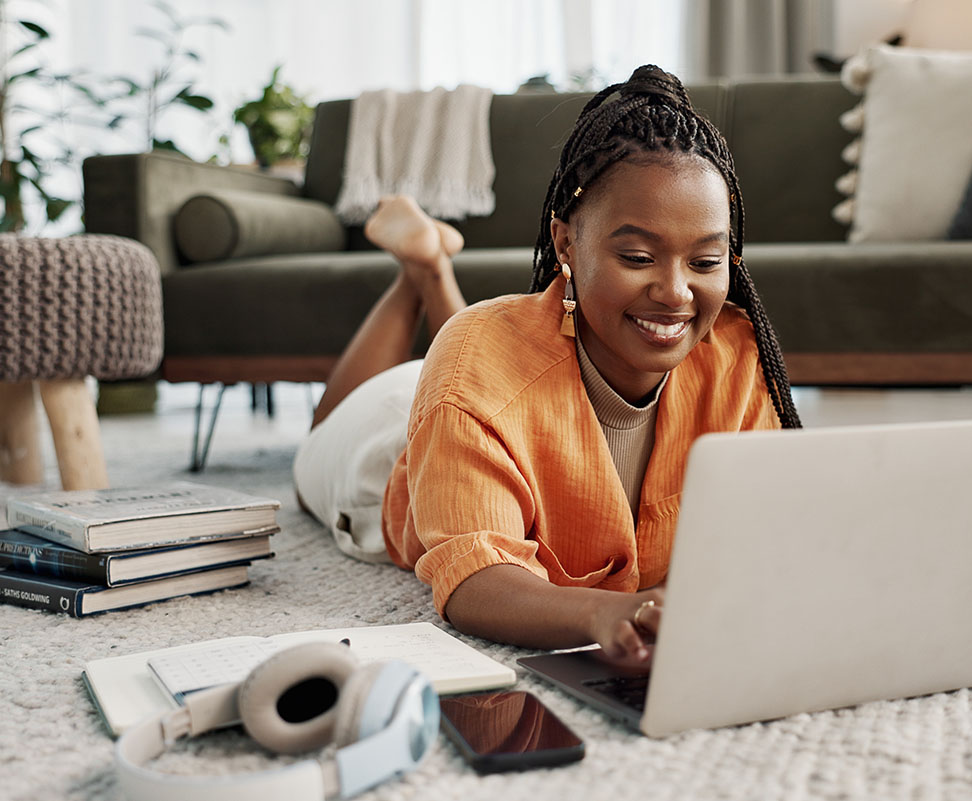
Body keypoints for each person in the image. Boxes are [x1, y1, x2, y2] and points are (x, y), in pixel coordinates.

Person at [295, 64, 801, 666]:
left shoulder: (736, 355)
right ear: (565, 244)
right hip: (379, 455)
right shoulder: (473, 367)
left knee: (471, 356)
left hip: (478, 387)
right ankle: (422, 273)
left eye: (706, 261)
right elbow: (474, 576)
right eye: (638, 256)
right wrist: (597, 610)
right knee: (326, 431)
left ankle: (430, 267)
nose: (676, 292)